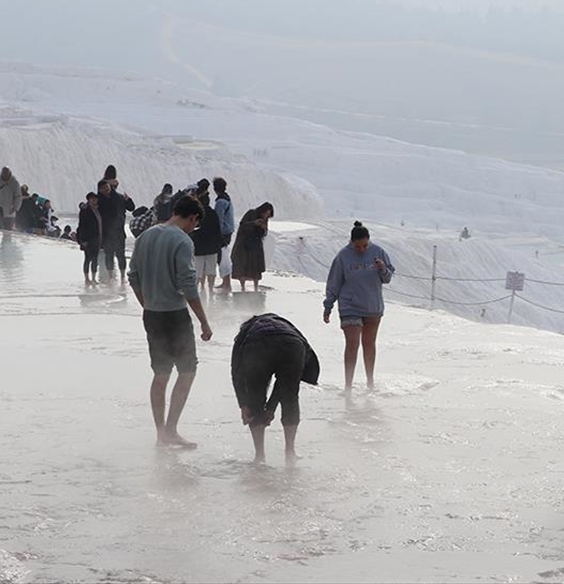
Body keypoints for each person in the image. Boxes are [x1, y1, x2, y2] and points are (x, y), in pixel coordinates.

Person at [127, 195, 213, 448]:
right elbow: (188, 285)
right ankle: (171, 430)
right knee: (187, 371)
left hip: (152, 314)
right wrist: (204, 322)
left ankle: (160, 433)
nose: (193, 228)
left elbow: (133, 276)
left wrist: (147, 303)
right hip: (175, 315)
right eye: (195, 224)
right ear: (192, 218)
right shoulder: (182, 241)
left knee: (161, 373)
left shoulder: (146, 236)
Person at [232, 313, 320, 465]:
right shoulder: (289, 327)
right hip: (292, 345)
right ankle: (290, 452)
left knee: (255, 399)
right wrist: (271, 407)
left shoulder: (245, 333)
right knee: (290, 397)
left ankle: (259, 456)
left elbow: (237, 370)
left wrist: (244, 404)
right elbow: (284, 383)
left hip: (258, 345)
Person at [323, 221, 394, 392]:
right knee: (352, 343)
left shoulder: (378, 252)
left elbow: (388, 278)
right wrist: (328, 306)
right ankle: (348, 384)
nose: (362, 250)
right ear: (351, 242)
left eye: (365, 246)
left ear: (369, 241)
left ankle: (370, 382)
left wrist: (382, 268)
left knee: (369, 344)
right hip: (350, 306)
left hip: (372, 307)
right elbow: (334, 282)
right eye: (358, 246)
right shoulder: (343, 256)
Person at [97, 178, 135, 284]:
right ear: (100, 190)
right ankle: (110, 276)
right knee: (108, 255)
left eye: (107, 187)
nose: (106, 189)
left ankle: (123, 276)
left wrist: (128, 200)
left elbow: (131, 208)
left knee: (120, 254)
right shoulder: (99, 201)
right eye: (103, 188)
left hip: (119, 231)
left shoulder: (119, 197)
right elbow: (90, 207)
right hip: (107, 232)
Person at [230, 202, 273, 291]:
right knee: (243, 268)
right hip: (244, 245)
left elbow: (264, 234)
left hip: (256, 246)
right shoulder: (251, 213)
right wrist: (254, 223)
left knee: (255, 269)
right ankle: (242, 287)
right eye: (265, 213)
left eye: (268, 215)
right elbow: (242, 226)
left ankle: (256, 287)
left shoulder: (264, 219)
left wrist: (263, 228)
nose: (265, 216)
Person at [189, 192, 222, 292]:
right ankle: (211, 289)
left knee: (197, 271)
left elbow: (192, 229)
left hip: (198, 247)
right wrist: (218, 245)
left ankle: (196, 291)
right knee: (211, 271)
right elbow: (218, 230)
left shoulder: (196, 214)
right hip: (212, 247)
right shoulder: (213, 213)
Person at [213, 177, 235, 290]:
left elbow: (218, 220)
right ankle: (226, 282)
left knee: (222, 258)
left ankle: (227, 284)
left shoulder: (220, 202)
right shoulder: (227, 199)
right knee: (225, 257)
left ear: (214, 188)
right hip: (228, 232)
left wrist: (215, 234)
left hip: (223, 233)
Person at [76, 192, 103, 286]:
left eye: (95, 199)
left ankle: (94, 278)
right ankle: (87, 278)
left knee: (95, 259)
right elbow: (82, 226)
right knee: (88, 258)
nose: (94, 200)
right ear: (88, 200)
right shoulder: (85, 210)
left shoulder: (98, 209)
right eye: (92, 199)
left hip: (97, 238)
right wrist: (83, 240)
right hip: (88, 239)